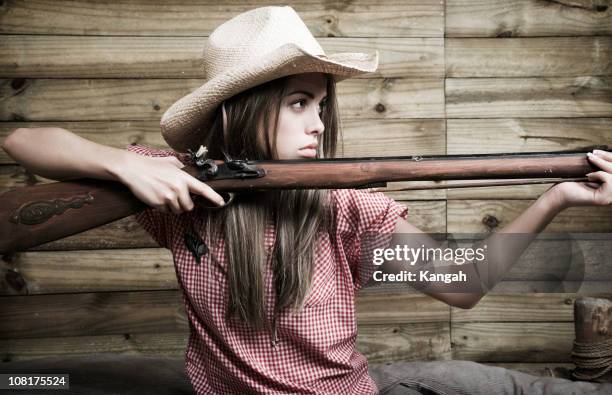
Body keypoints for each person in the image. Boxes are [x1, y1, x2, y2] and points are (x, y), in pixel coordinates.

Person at [2, 6, 611, 395]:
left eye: (320, 106)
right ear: (246, 108)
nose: (318, 123)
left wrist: (557, 196)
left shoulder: (345, 205)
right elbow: (23, 139)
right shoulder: (180, 188)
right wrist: (120, 163)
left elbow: (464, 284)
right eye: (298, 103)